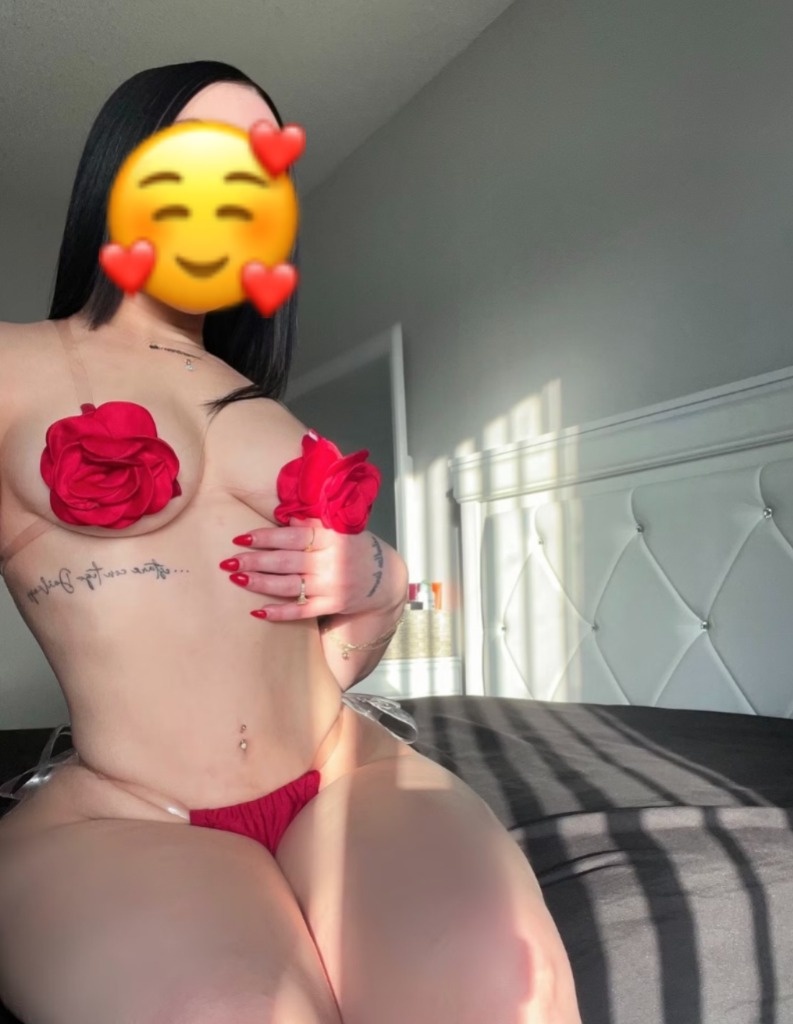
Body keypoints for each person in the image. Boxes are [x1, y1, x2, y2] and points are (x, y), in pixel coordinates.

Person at [0, 61, 581, 1024]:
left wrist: (382, 578)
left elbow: (331, 656)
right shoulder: (15, 364)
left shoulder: (262, 404)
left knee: (504, 992)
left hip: (344, 767)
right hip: (129, 809)